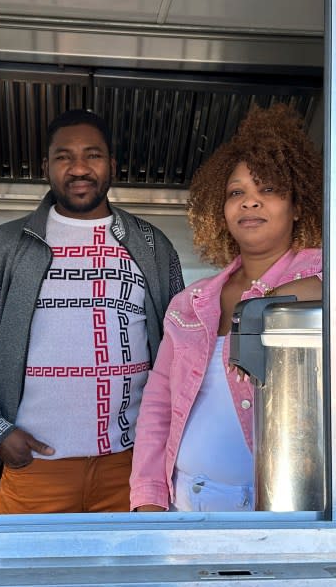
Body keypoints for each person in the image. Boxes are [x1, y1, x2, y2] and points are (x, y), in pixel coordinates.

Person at [0, 108, 184, 514]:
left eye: (93, 155)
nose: (79, 168)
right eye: (64, 156)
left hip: (132, 467)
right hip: (35, 467)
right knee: (26, 577)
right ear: (46, 167)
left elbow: (180, 351)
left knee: (130, 578)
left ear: (113, 165)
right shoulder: (1, 247)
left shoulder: (152, 245)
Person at [129, 103, 323, 512]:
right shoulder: (190, 304)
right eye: (237, 193)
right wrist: (147, 499)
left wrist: (287, 297)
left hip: (287, 507)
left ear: (298, 204)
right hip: (190, 501)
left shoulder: (331, 275)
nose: (250, 203)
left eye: (267, 190)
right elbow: (158, 406)